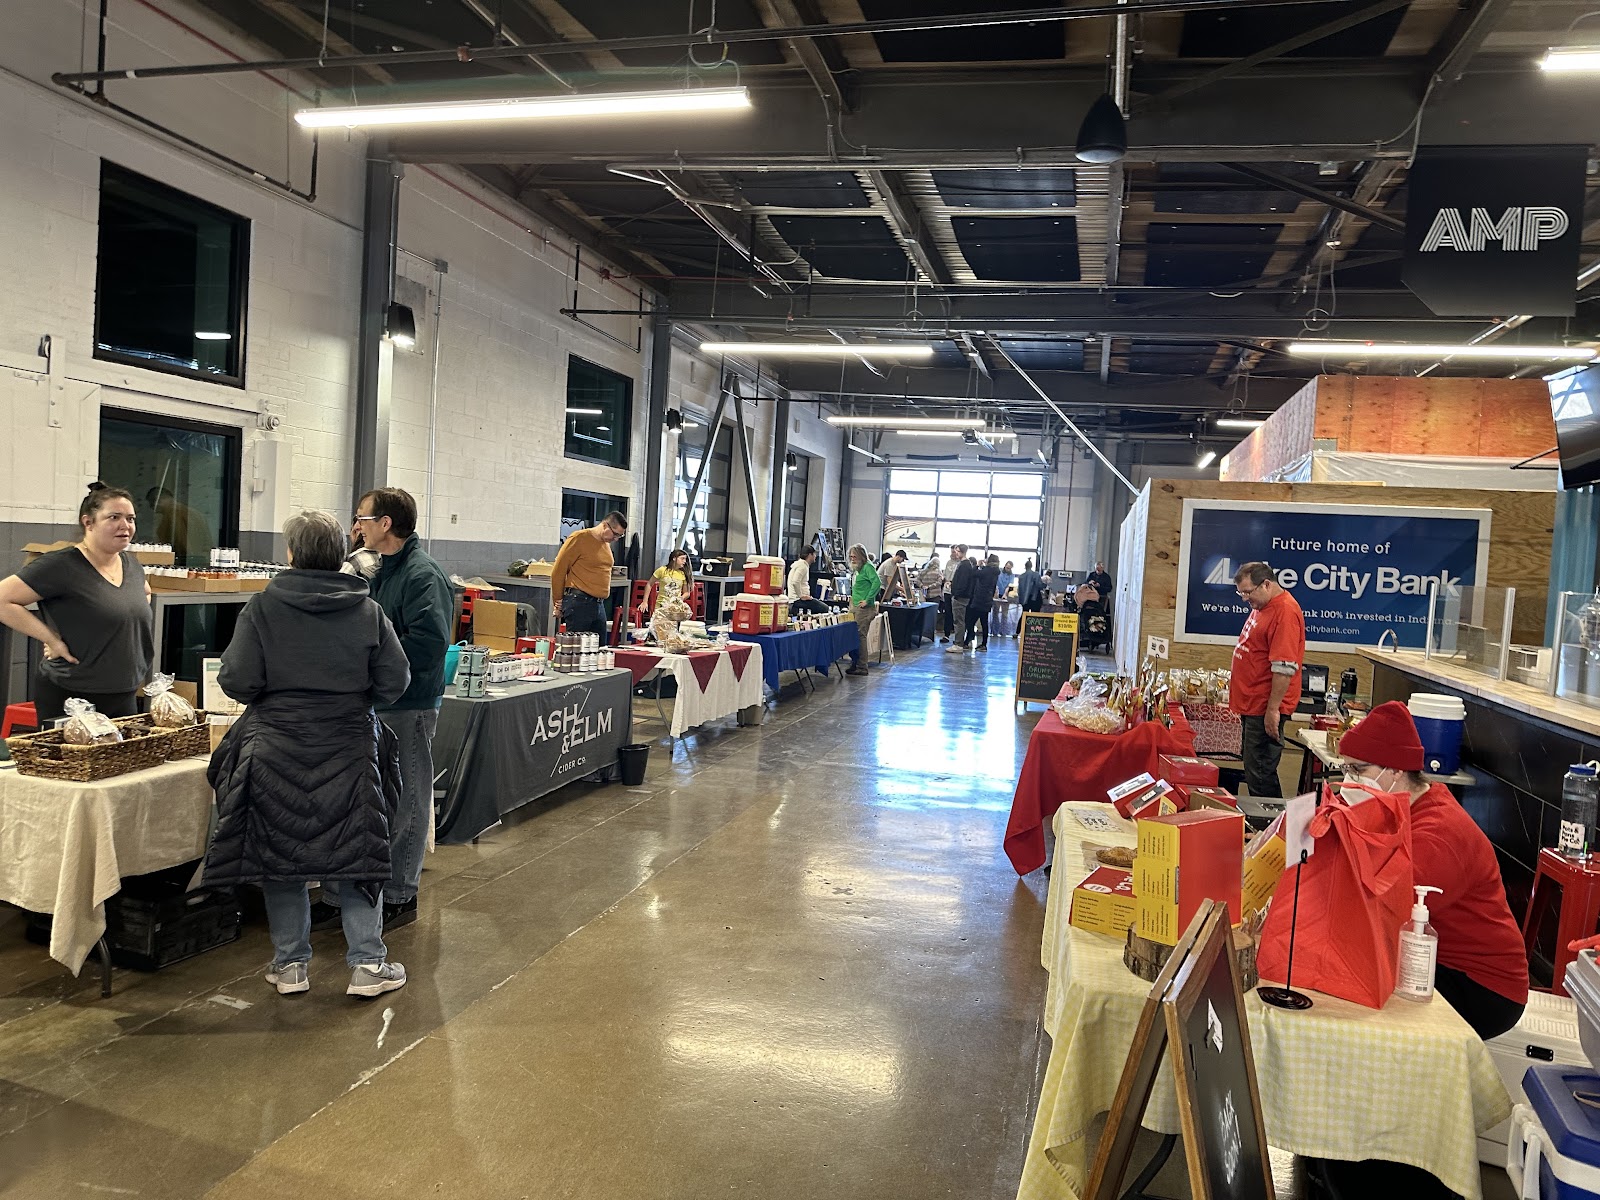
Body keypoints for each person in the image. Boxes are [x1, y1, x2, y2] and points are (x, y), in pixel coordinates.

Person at [204, 510, 412, 999]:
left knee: (283, 855)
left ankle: (290, 965)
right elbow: (395, 681)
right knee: (360, 855)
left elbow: (236, 680)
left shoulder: (261, 609)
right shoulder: (367, 611)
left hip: (276, 746)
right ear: (338, 553)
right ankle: (367, 965)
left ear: (291, 554)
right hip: (350, 747)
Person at [1338, 702, 1528, 1039]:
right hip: (1436, 956)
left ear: (1394, 770)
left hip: (1483, 987)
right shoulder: (1408, 805)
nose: (1348, 780)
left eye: (1357, 770)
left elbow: (1385, 911)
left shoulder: (1440, 833)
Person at [350, 487, 454, 930]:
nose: (357, 526)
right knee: (379, 800)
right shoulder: (383, 568)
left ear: (386, 523)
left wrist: (375, 660)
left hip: (409, 705)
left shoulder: (421, 574)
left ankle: (400, 893)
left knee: (408, 799)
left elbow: (429, 644)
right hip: (379, 700)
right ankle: (361, 892)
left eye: (362, 518)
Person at [0, 483, 152, 722]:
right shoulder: (60, 566)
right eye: (114, 517)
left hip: (124, 692)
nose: (125, 526)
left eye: (130, 518)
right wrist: (50, 638)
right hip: (73, 695)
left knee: (117, 760)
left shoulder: (131, 565)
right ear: (88, 522)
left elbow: (144, 594)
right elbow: (3, 599)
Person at [1228, 561, 1305, 799]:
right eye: (1241, 593)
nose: (1245, 599)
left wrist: (1273, 710)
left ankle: (1272, 828)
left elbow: (1284, 668)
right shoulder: (1264, 606)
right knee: (1256, 771)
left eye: (1248, 593)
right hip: (1254, 704)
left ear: (1267, 584)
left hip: (1264, 707)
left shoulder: (1284, 612)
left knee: (1261, 774)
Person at [550, 510, 626, 637]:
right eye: (615, 534)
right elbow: (558, 571)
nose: (616, 539)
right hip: (579, 602)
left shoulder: (605, 544)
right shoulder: (579, 538)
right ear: (605, 525)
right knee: (576, 649)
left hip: (598, 604)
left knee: (599, 649)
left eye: (619, 536)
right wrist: (558, 602)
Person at [146, 486, 212, 565]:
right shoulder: (196, 514)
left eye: (151, 504)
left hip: (184, 561)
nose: (152, 508)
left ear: (158, 500)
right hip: (201, 560)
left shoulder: (172, 514)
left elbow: (181, 541)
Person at [844, 543, 881, 677]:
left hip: (864, 609)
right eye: (851, 557)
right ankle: (855, 662)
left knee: (861, 635)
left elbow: (877, 583)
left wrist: (867, 599)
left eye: (855, 556)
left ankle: (862, 665)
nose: (852, 559)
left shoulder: (868, 567)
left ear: (861, 556)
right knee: (854, 635)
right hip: (855, 606)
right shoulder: (858, 569)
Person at [945, 545, 976, 653]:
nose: (956, 553)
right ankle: (958, 643)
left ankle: (958, 644)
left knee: (958, 621)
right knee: (958, 620)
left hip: (960, 597)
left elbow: (963, 582)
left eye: (957, 551)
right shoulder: (965, 565)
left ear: (962, 552)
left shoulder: (964, 566)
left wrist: (956, 594)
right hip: (960, 596)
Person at [967, 554, 1001, 651]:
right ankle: (984, 644)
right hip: (988, 599)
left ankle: (967, 641)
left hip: (979, 599)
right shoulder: (996, 572)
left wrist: (977, 565)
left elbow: (974, 574)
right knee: (984, 623)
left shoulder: (986, 570)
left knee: (970, 621)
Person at [649, 548, 693, 614]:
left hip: (675, 607)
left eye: (685, 559)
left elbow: (686, 593)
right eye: (682, 558)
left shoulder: (683, 574)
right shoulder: (662, 570)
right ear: (674, 558)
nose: (684, 561)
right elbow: (649, 584)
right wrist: (644, 601)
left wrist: (681, 598)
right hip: (661, 605)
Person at [787, 547, 828, 615]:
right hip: (797, 600)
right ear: (810, 555)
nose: (815, 556)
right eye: (814, 554)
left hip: (795, 600)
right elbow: (795, 582)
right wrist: (801, 596)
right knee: (824, 608)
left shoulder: (799, 565)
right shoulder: (802, 566)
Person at [1016, 559, 1044, 633]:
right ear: (1031, 566)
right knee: (1035, 616)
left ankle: (1018, 631)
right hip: (1035, 598)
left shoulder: (1021, 577)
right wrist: (1045, 584)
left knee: (1024, 614)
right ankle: (1034, 632)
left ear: (1025, 567)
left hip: (1025, 599)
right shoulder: (1036, 574)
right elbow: (1039, 585)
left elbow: (1019, 589)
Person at [995, 560, 1017, 637]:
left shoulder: (1012, 575)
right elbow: (996, 583)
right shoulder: (999, 572)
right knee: (995, 613)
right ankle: (995, 631)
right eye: (1007, 567)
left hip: (1006, 595)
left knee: (1004, 614)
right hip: (997, 593)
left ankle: (1003, 631)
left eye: (1009, 568)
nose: (1008, 569)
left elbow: (1009, 586)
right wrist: (996, 593)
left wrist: (1005, 594)